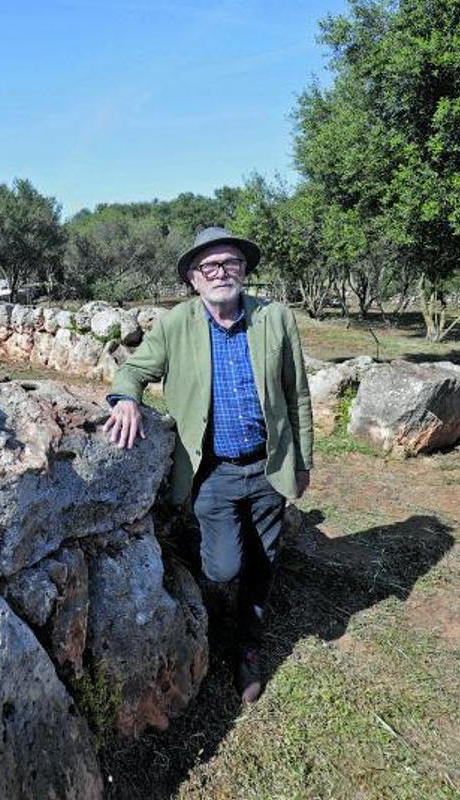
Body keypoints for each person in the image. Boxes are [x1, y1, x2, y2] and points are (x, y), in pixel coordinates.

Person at [104, 226, 313, 703]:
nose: (222, 273)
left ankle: (248, 647)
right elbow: (134, 370)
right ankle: (213, 599)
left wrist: (302, 461)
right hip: (211, 472)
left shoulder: (275, 318)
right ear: (194, 280)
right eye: (209, 267)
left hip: (268, 466)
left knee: (263, 563)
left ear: (244, 271)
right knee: (222, 568)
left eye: (231, 264)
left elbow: (297, 394)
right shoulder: (177, 323)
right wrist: (125, 401)